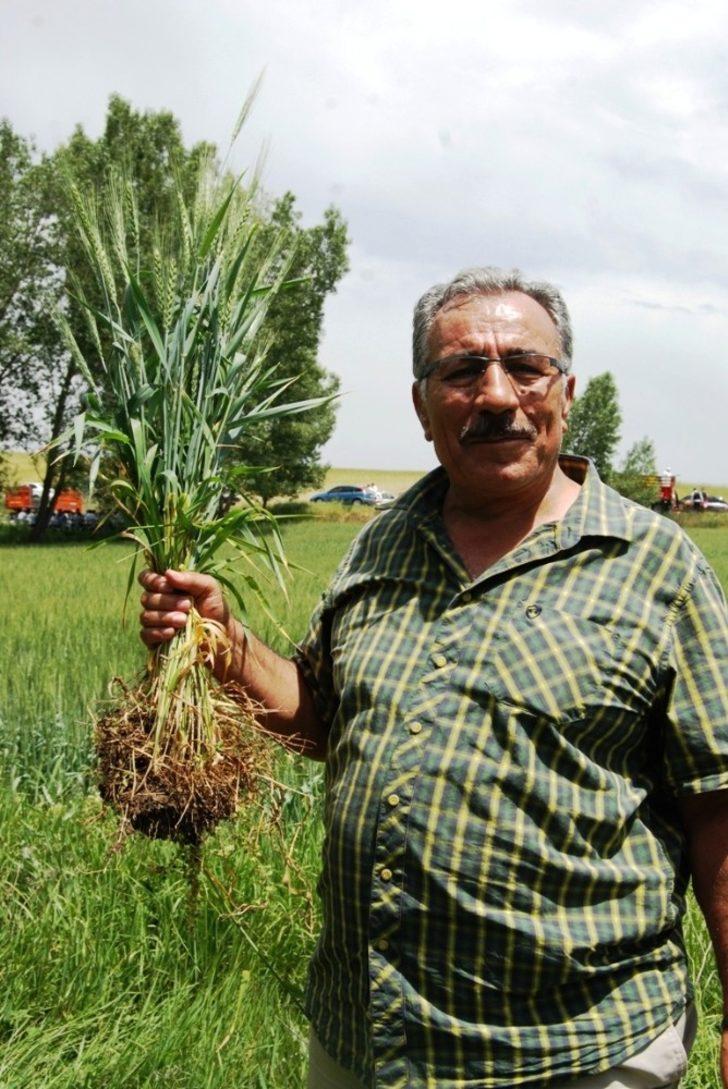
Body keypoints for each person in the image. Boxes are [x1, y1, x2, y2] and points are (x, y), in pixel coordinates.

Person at [139, 268, 728, 1089]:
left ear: (565, 391)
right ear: (422, 405)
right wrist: (225, 639)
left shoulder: (657, 566)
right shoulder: (379, 547)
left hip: (578, 1051)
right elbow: (323, 717)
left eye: (524, 366)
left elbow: (717, 805)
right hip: (367, 1040)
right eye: (461, 372)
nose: (496, 395)